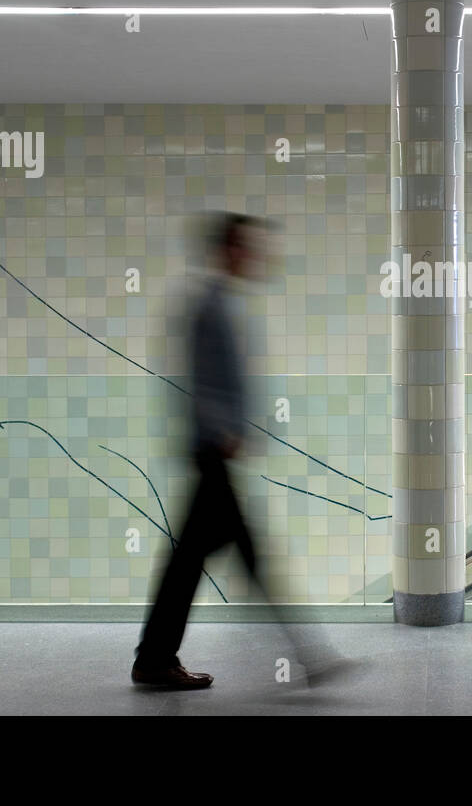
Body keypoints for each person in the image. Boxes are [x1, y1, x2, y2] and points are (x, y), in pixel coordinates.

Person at [132, 212, 345, 690]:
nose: (256, 256)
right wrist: (222, 430)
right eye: (247, 246)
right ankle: (310, 655)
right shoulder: (209, 305)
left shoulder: (222, 302)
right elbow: (192, 380)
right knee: (243, 555)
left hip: (215, 449)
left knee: (191, 561)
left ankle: (155, 658)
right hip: (212, 449)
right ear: (227, 250)